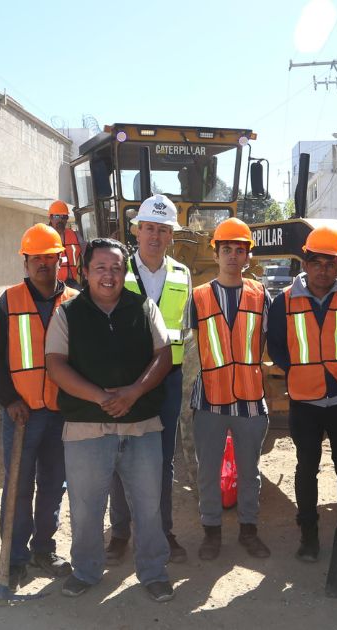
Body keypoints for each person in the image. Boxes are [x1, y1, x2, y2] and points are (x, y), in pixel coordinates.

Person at [45, 238, 175, 603]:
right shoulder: (67, 313)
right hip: (86, 427)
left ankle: (153, 572)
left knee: (149, 506)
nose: (109, 275)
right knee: (86, 508)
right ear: (84, 273)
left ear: (125, 273)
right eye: (100, 268)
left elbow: (163, 356)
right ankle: (85, 571)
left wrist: (133, 393)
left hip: (142, 426)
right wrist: (102, 397)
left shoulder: (144, 307)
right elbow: (55, 365)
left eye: (116, 268)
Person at [265, 225, 337, 562]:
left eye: (331, 264)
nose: (323, 270)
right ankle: (308, 536)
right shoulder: (284, 302)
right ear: (306, 264)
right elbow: (278, 346)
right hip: (305, 401)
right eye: (317, 263)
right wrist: (296, 370)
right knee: (306, 468)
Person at [0, 224, 78, 584]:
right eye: (35, 258)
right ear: (25, 262)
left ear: (59, 260)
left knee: (54, 484)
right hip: (22, 413)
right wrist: (8, 400)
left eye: (49, 257)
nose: (42, 263)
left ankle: (43, 550)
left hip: (61, 412)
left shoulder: (73, 301)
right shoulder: (8, 301)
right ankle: (15, 557)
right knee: (19, 486)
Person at [107, 194, 191, 565]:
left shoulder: (182, 275)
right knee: (118, 454)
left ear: (171, 235)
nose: (155, 236)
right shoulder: (116, 271)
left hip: (167, 381)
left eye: (162, 230)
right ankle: (121, 533)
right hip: (123, 379)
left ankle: (162, 531)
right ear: (136, 231)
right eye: (149, 228)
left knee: (162, 459)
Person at [190, 218, 272, 561]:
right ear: (216, 253)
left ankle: (248, 530)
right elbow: (190, 347)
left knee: (249, 470)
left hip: (250, 400)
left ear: (248, 256)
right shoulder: (198, 297)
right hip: (209, 398)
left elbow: (269, 340)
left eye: (240, 250)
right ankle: (211, 531)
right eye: (227, 249)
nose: (233, 256)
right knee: (208, 469)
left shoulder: (261, 294)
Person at [49, 200, 83, 289]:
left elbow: (92, 249)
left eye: (64, 217)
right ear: (50, 218)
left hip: (71, 283)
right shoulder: (43, 236)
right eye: (57, 216)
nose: (61, 219)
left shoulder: (76, 235)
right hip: (51, 285)